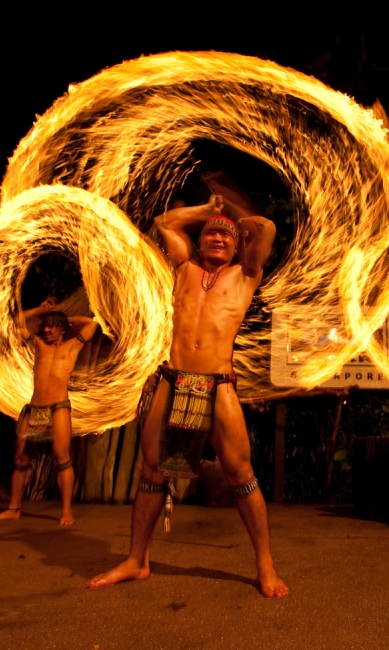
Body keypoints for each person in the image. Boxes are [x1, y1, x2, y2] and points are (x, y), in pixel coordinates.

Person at [88, 194, 288, 598]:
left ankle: (265, 565)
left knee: (240, 474)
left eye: (227, 236)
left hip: (218, 386)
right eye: (211, 233)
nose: (218, 237)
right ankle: (136, 560)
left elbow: (265, 228)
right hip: (173, 380)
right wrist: (205, 211)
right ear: (198, 241)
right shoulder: (184, 268)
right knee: (152, 472)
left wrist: (227, 214)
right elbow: (164, 222)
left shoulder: (246, 274)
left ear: (238, 246)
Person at [0, 298, 99, 526]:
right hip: (34, 409)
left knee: (61, 458)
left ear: (62, 329)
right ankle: (14, 508)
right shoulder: (38, 344)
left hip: (58, 408)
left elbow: (93, 323)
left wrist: (62, 316)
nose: (46, 329)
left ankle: (66, 512)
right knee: (21, 457)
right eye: (45, 326)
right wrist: (40, 310)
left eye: (52, 326)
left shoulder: (73, 345)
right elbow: (14, 323)